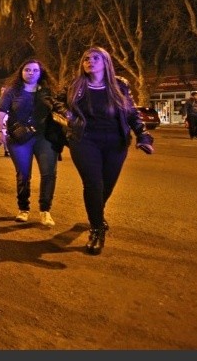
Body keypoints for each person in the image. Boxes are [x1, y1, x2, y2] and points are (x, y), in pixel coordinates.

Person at [55, 47, 154, 255]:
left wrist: (143, 136)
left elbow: (131, 113)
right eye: (86, 59)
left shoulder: (120, 85)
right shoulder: (75, 85)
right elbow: (56, 103)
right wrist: (69, 116)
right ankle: (97, 229)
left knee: (106, 186)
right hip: (84, 140)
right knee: (93, 184)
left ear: (105, 62)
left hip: (115, 142)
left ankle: (96, 214)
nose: (90, 61)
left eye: (95, 58)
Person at [0, 59, 63, 228]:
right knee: (24, 174)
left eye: (35, 70)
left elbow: (61, 109)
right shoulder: (12, 91)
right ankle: (23, 209)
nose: (31, 73)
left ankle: (45, 210)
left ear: (41, 73)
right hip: (19, 138)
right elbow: (0, 113)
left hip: (45, 138)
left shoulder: (48, 92)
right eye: (27, 70)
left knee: (49, 173)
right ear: (21, 72)